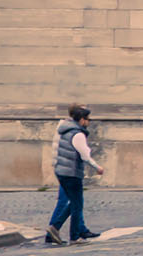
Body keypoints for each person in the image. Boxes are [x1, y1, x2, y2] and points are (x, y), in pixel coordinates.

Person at [47, 105, 103, 245]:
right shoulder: (78, 134)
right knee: (77, 204)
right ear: (82, 120)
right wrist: (97, 167)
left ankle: (58, 228)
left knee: (73, 203)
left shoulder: (65, 130)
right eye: (87, 119)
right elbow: (85, 155)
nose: (89, 122)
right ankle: (72, 235)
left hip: (62, 171)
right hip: (71, 173)